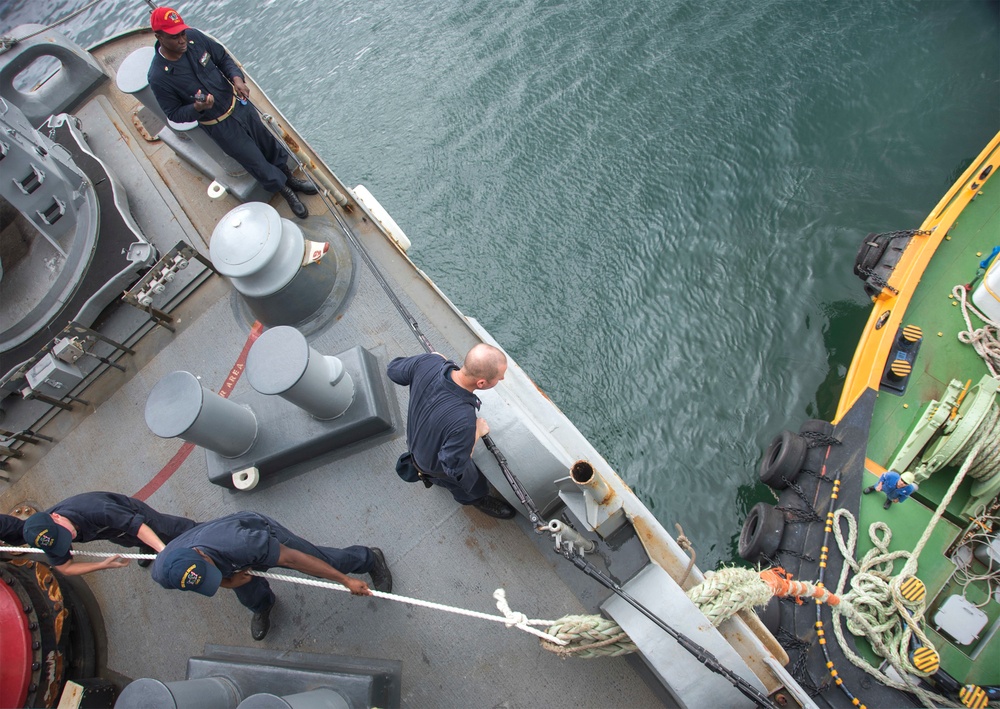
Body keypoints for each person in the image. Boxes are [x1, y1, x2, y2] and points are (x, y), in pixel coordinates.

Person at [146, 7, 317, 219]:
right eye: (174, 36)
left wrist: (237, 80)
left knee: (268, 144)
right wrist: (197, 109)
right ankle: (285, 190)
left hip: (239, 106)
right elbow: (174, 114)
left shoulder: (195, 38)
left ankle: (290, 178)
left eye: (182, 33)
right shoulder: (159, 77)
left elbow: (223, 58)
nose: (182, 40)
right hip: (219, 125)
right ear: (159, 36)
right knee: (254, 160)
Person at [151, 511, 392, 641]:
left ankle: (368, 558)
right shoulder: (165, 574)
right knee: (249, 596)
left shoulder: (241, 543)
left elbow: (292, 559)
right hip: (229, 564)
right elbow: (201, 578)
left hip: (260, 537)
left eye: (208, 572)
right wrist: (227, 581)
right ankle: (263, 605)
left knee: (328, 562)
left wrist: (345, 580)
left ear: (201, 555)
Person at [387, 344, 517, 519]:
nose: (501, 379)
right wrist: (477, 432)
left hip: (415, 441)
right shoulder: (464, 422)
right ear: (481, 383)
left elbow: (393, 370)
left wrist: (434, 360)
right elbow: (453, 467)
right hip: (435, 466)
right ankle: (476, 499)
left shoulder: (429, 362)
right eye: (499, 377)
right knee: (467, 483)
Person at [22, 491, 198, 575]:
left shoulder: (96, 510)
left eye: (64, 535)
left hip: (129, 514)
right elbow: (65, 568)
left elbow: (138, 527)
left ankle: (202, 533)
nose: (68, 540)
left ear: (57, 517)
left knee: (167, 529)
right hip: (109, 531)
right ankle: (146, 544)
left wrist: (163, 551)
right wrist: (103, 564)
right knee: (129, 540)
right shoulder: (47, 536)